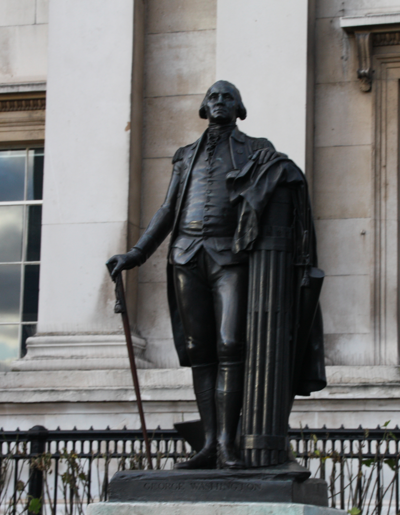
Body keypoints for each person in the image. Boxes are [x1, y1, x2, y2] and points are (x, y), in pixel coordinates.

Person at [107, 80, 326, 470]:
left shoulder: (258, 149)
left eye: (228, 97)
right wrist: (137, 254)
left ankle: (228, 442)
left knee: (231, 345)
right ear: (203, 109)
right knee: (200, 352)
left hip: (231, 257)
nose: (220, 101)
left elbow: (286, 183)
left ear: (240, 109)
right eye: (213, 97)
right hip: (186, 256)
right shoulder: (185, 155)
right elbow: (167, 210)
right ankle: (209, 443)